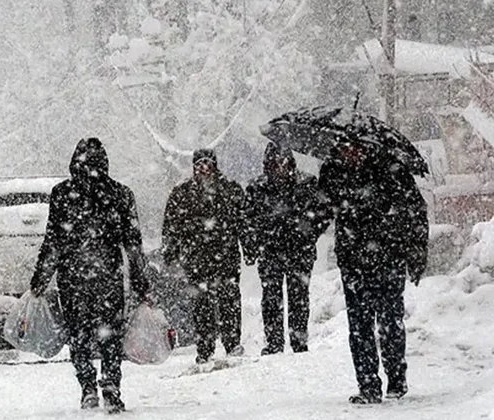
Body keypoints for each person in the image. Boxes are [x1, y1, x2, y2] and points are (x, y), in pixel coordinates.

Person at [30, 137, 150, 414]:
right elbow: (133, 244)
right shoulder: (120, 194)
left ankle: (87, 387)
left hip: (73, 278)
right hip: (108, 277)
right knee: (110, 336)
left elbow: (54, 242)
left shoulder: (62, 194)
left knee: (79, 335)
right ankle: (111, 386)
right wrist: (141, 283)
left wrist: (40, 279)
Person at [318, 140, 428, 404]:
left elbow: (415, 210)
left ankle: (396, 379)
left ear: (365, 147)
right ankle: (368, 385)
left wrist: (416, 253)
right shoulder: (333, 172)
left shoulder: (389, 168)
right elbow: (321, 211)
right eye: (344, 148)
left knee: (389, 321)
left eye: (354, 148)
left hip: (388, 256)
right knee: (359, 325)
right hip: (354, 261)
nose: (349, 153)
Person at [162, 148, 254, 364]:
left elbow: (244, 221)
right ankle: (204, 348)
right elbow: (171, 226)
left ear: (215, 165)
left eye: (207, 163)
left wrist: (249, 247)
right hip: (196, 258)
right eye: (200, 164)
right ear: (194, 167)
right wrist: (170, 253)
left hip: (226, 255)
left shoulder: (230, 189)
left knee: (229, 300)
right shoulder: (182, 192)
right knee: (202, 304)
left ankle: (232, 343)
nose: (204, 168)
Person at [245, 143, 331, 355]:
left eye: (283, 162)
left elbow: (323, 213)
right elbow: (246, 219)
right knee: (271, 297)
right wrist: (255, 242)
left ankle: (299, 341)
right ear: (268, 165)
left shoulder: (307, 184)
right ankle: (274, 342)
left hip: (299, 250)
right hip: (270, 251)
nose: (279, 167)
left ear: (290, 162)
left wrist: (308, 233)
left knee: (299, 297)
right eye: (274, 163)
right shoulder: (256, 188)